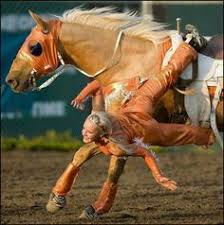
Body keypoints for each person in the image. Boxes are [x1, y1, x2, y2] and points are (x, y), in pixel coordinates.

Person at [46, 32, 213, 218]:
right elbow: (100, 85)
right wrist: (83, 94)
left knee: (185, 132)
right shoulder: (101, 118)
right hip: (135, 107)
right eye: (85, 129)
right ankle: (188, 47)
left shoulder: (118, 146)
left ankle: (209, 135)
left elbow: (145, 153)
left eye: (87, 132)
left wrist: (159, 176)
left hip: (145, 125)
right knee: (166, 76)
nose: (83, 133)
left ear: (102, 136)